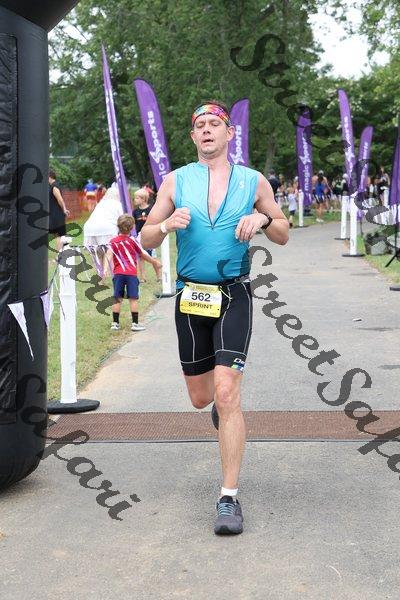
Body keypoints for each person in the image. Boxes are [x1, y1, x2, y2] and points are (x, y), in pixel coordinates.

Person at [141, 100, 289, 535]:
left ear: (229, 133)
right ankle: (222, 415)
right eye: (200, 125)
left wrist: (262, 217)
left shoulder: (253, 180)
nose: (207, 130)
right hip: (191, 297)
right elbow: (145, 237)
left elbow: (283, 232)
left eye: (214, 124)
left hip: (234, 294)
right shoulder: (175, 180)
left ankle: (228, 498)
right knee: (201, 397)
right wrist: (165, 226)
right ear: (193, 136)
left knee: (227, 393)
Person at [104, 214, 160, 332]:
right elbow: (143, 255)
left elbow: (108, 254)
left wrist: (105, 268)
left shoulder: (113, 241)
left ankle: (115, 323)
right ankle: (135, 324)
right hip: (131, 274)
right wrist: (154, 262)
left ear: (118, 226)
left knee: (117, 298)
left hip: (118, 274)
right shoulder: (133, 241)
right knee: (133, 299)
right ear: (133, 227)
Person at [83, 185, 126, 272]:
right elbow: (122, 219)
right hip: (107, 228)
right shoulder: (118, 204)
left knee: (98, 254)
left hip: (90, 228)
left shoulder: (101, 203)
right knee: (110, 252)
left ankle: (100, 275)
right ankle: (111, 273)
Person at [133, 187, 162, 283]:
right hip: (139, 236)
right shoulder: (135, 212)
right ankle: (143, 277)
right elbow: (134, 224)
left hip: (150, 235)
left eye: (137, 198)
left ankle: (159, 276)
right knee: (141, 256)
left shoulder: (151, 209)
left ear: (143, 199)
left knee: (152, 256)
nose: (135, 200)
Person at [48, 170, 70, 251]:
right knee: (57, 235)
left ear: (49, 177)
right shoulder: (52, 186)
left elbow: (60, 199)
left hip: (57, 214)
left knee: (59, 235)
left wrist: (64, 209)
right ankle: (61, 253)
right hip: (54, 214)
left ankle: (59, 254)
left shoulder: (54, 187)